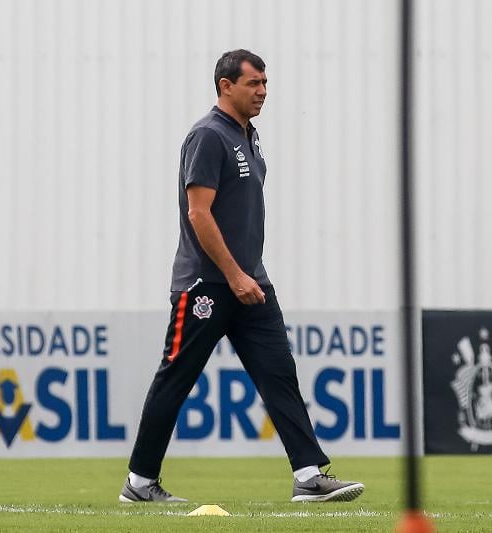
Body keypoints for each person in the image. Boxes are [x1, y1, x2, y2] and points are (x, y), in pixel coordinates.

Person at [119, 49, 364, 504]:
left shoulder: (249, 136)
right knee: (176, 378)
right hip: (206, 285)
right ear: (225, 85)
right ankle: (139, 483)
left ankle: (309, 475)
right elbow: (199, 212)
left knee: (279, 373)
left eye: (266, 83)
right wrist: (232, 275)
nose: (263, 92)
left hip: (252, 282)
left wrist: (247, 276)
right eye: (254, 83)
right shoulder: (208, 136)